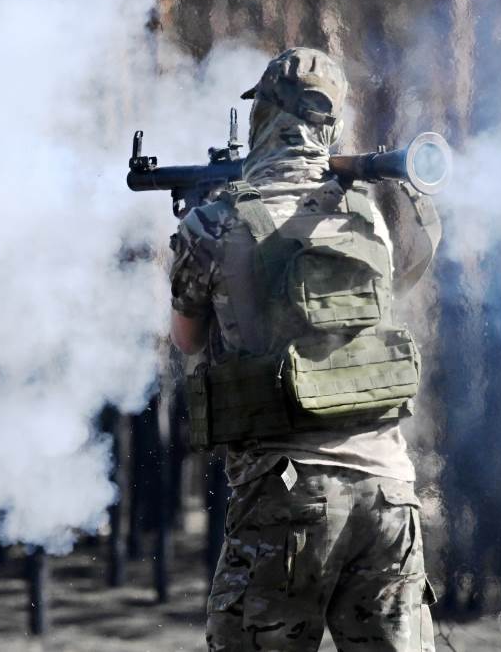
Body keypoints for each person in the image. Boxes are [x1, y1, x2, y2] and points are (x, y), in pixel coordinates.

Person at [169, 47, 441, 652]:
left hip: (286, 491)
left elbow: (187, 340)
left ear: (264, 115)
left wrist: (197, 230)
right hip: (389, 492)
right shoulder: (369, 213)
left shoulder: (214, 223)